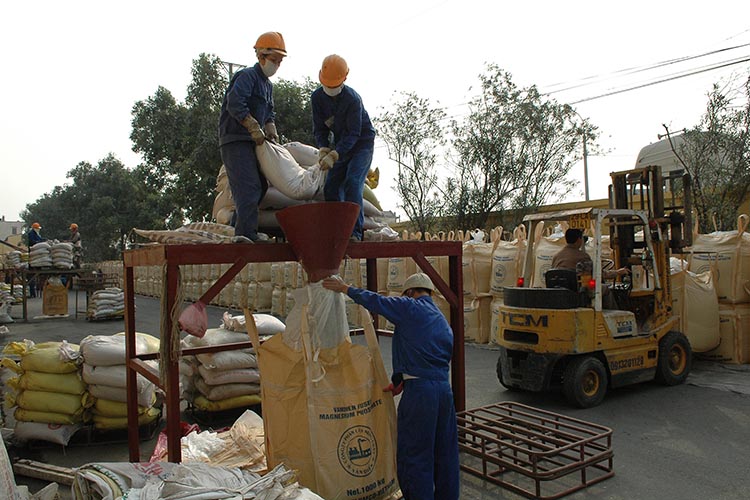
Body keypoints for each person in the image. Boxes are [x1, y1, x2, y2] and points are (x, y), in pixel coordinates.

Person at [322, 272, 459, 500]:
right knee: (444, 454)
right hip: (443, 392)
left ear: (411, 293)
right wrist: (400, 380)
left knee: (415, 454)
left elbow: (378, 302)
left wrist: (345, 288)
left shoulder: (410, 307)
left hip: (421, 395)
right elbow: (423, 353)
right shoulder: (441, 320)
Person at [218, 31, 286, 243]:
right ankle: (245, 233)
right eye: (274, 60)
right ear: (261, 56)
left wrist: (270, 125)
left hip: (252, 142)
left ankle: (237, 227)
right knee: (248, 186)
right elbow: (235, 103)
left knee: (261, 185)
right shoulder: (247, 76)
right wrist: (251, 125)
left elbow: (270, 111)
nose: (276, 65)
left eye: (279, 61)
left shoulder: (267, 85)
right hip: (236, 140)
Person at [312, 54, 376, 242]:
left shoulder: (352, 99)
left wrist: (335, 154)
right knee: (331, 186)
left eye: (334, 85)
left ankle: (355, 232)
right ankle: (337, 231)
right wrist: (323, 147)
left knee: (353, 182)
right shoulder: (317, 98)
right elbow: (319, 127)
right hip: (340, 145)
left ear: (344, 79)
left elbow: (354, 134)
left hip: (361, 144)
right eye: (327, 84)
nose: (330, 89)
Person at [552, 228, 629, 308]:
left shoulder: (557, 256)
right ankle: (613, 314)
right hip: (579, 290)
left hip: (561, 291)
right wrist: (618, 272)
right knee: (605, 288)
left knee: (592, 283)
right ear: (579, 239)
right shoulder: (582, 256)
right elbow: (598, 274)